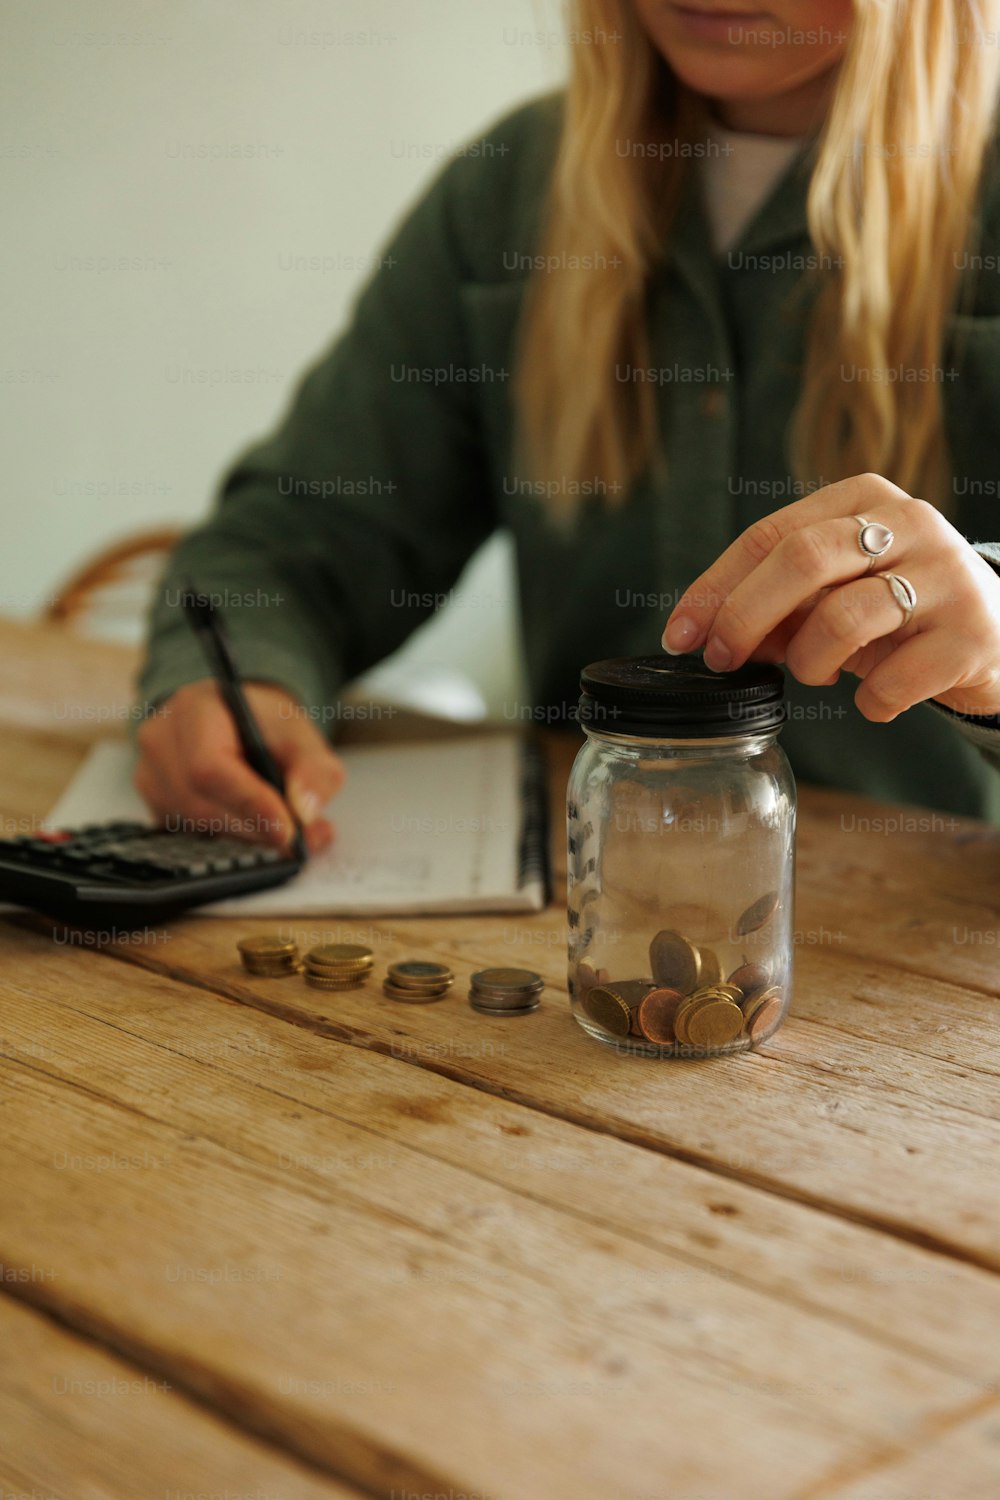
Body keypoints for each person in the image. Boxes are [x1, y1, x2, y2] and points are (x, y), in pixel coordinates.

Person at [135, 0, 1000, 853]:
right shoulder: (509, 193)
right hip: (593, 908)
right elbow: (305, 533)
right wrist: (236, 681)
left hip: (937, 960)